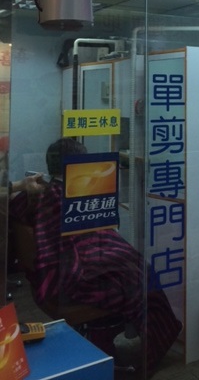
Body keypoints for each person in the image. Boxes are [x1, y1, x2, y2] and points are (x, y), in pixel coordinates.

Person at [8, 137, 182, 375]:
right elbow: (68, 247)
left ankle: (118, 333)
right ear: (77, 165)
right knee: (140, 275)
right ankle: (144, 346)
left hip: (52, 274)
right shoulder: (56, 196)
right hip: (71, 278)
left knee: (133, 267)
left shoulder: (43, 193)